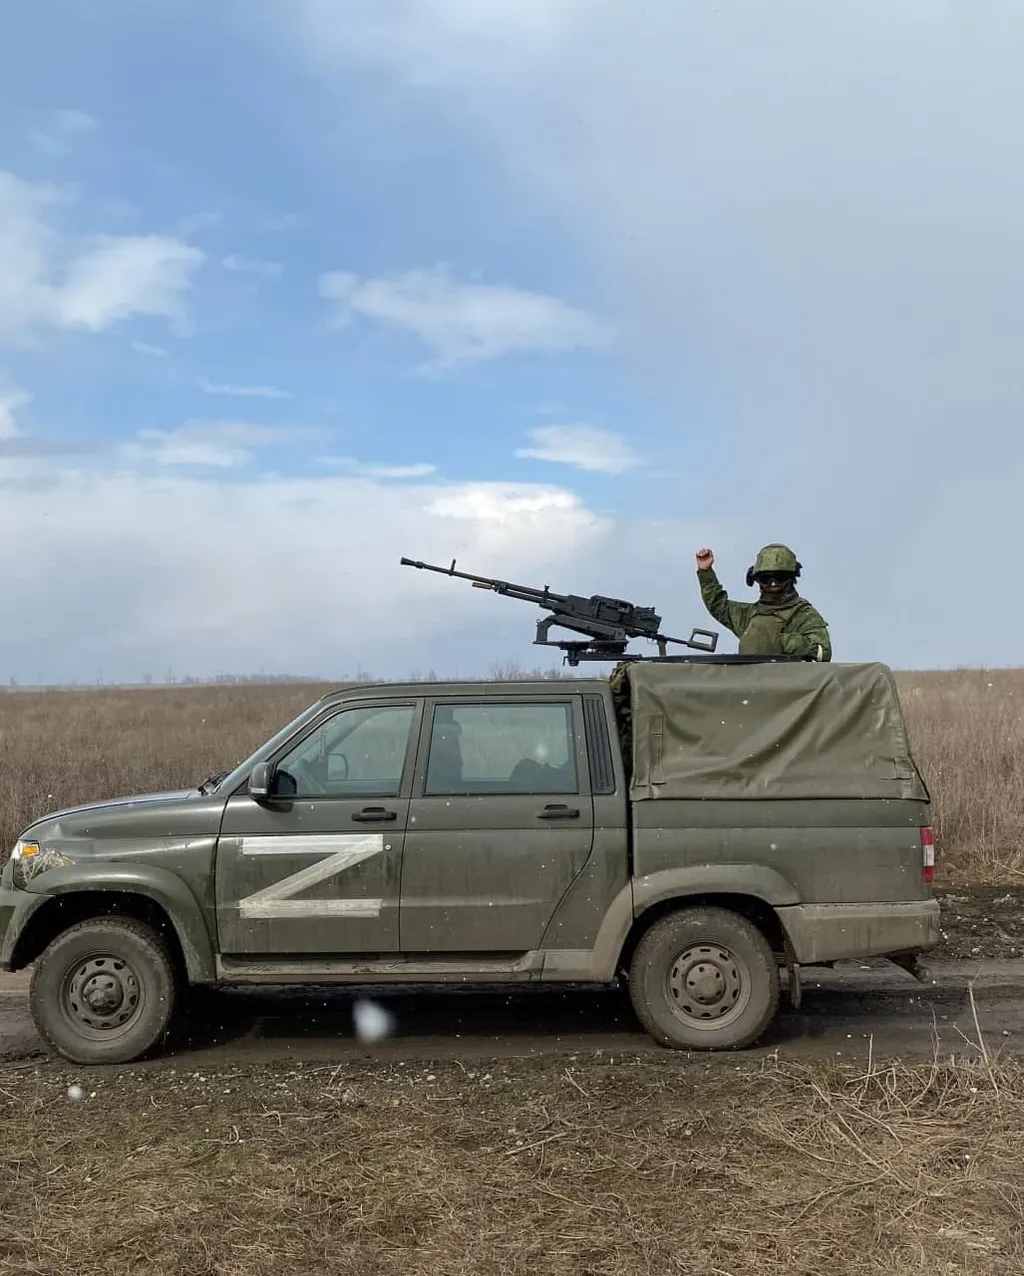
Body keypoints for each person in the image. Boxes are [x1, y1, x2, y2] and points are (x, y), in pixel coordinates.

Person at [695, 543, 831, 661]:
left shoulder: (803, 614)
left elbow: (823, 652)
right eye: (766, 579)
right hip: (749, 681)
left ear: (791, 578)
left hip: (788, 681)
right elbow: (718, 605)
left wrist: (779, 641)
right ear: (757, 580)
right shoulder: (748, 615)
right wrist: (705, 571)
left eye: (780, 578)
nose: (773, 583)